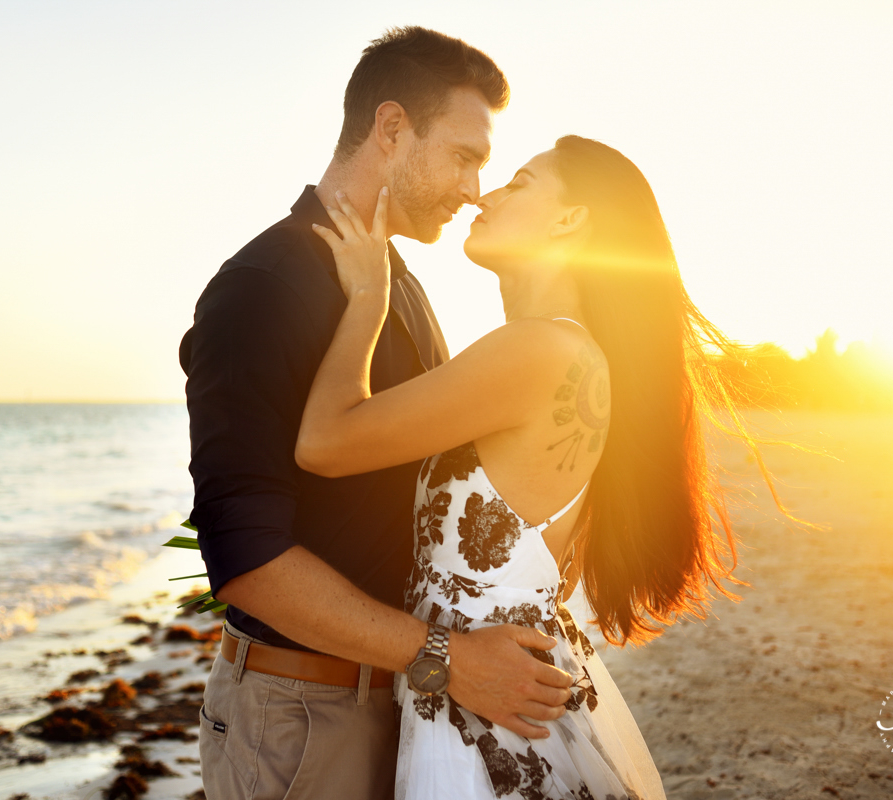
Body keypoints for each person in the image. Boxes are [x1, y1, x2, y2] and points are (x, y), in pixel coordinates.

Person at [297, 136, 764, 799]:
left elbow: (324, 443)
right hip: (501, 692)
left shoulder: (538, 349)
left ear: (571, 220)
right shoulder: (572, 352)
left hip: (484, 712)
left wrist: (369, 301)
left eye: (518, 183)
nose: (484, 193)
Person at [180, 27, 575, 800]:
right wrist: (449, 659)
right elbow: (245, 559)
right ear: (392, 128)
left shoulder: (402, 284)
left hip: (400, 694)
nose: (472, 189)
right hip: (300, 719)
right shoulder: (264, 284)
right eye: (465, 156)